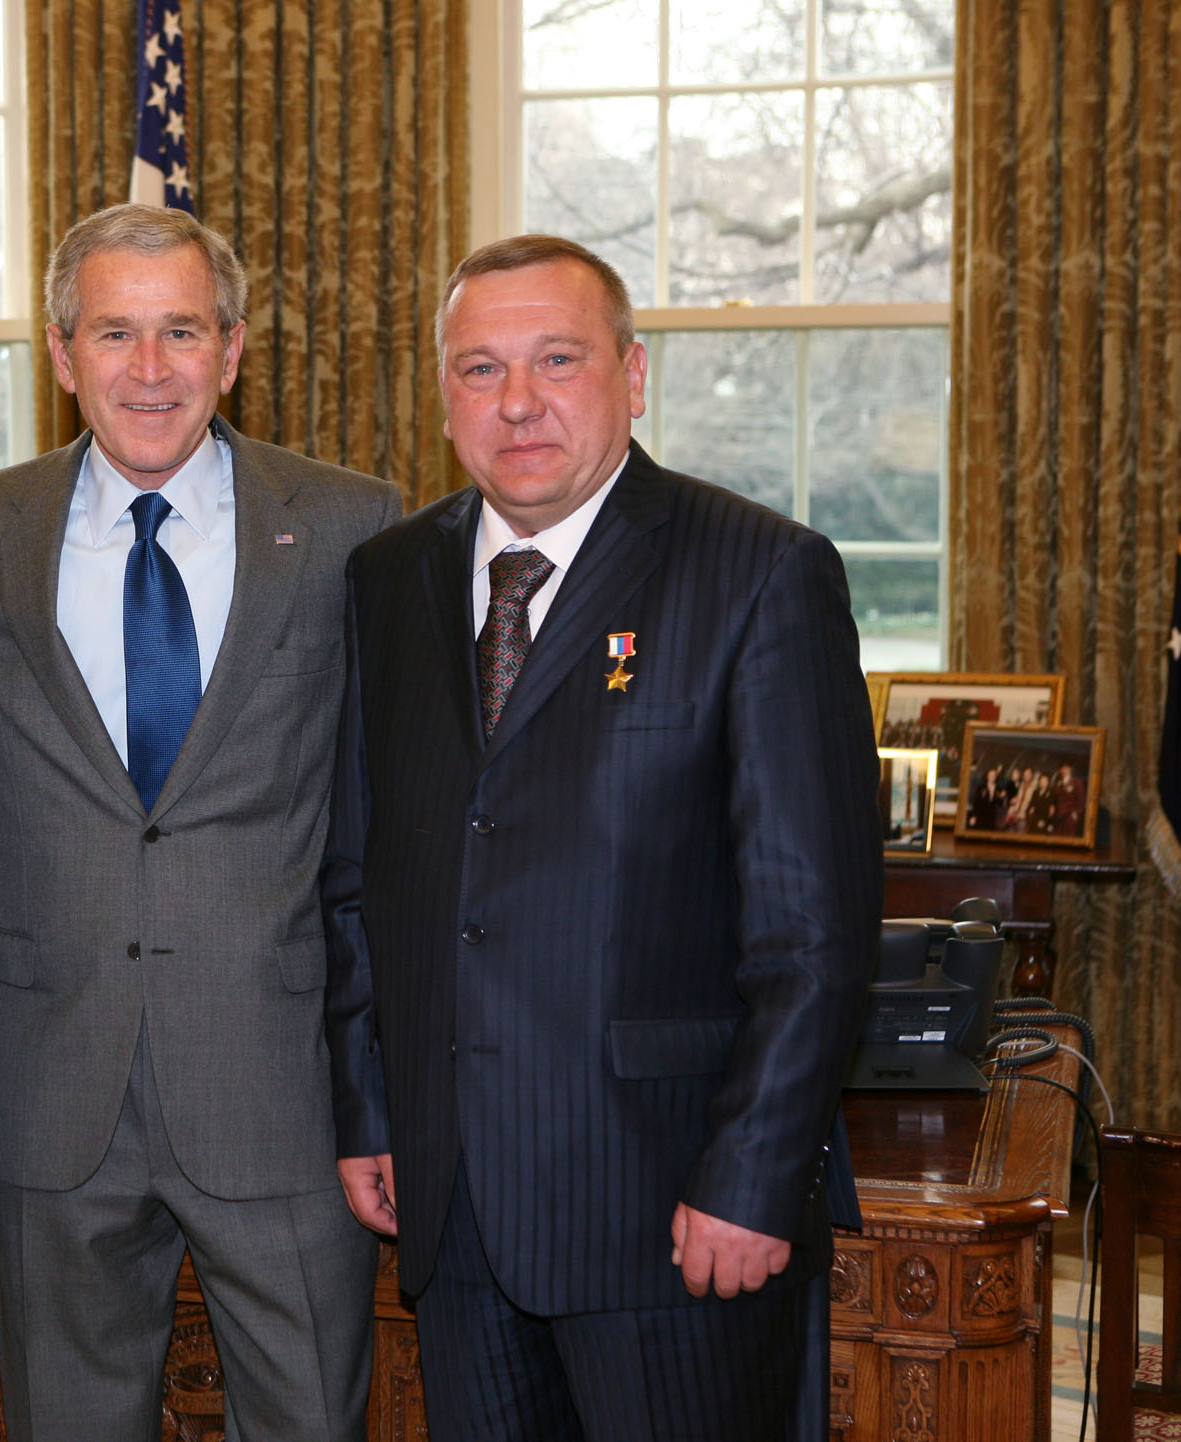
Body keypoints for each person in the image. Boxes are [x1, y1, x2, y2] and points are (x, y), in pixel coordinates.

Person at [323, 234, 880, 1441]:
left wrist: (750, 1174)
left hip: (674, 1217)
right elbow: (360, 874)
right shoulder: (386, 580)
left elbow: (815, 931)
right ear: (443, 393)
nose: (516, 400)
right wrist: (367, 1106)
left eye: (556, 359)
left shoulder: (760, 574)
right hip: (455, 1203)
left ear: (632, 376)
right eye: (478, 368)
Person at [0, 203, 401, 1442]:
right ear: (61, 352)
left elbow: (387, 826)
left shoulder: (352, 525)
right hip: (50, 1084)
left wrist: (382, 1084)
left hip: (279, 1089)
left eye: (180, 330)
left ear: (231, 350)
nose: (148, 368)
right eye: (113, 332)